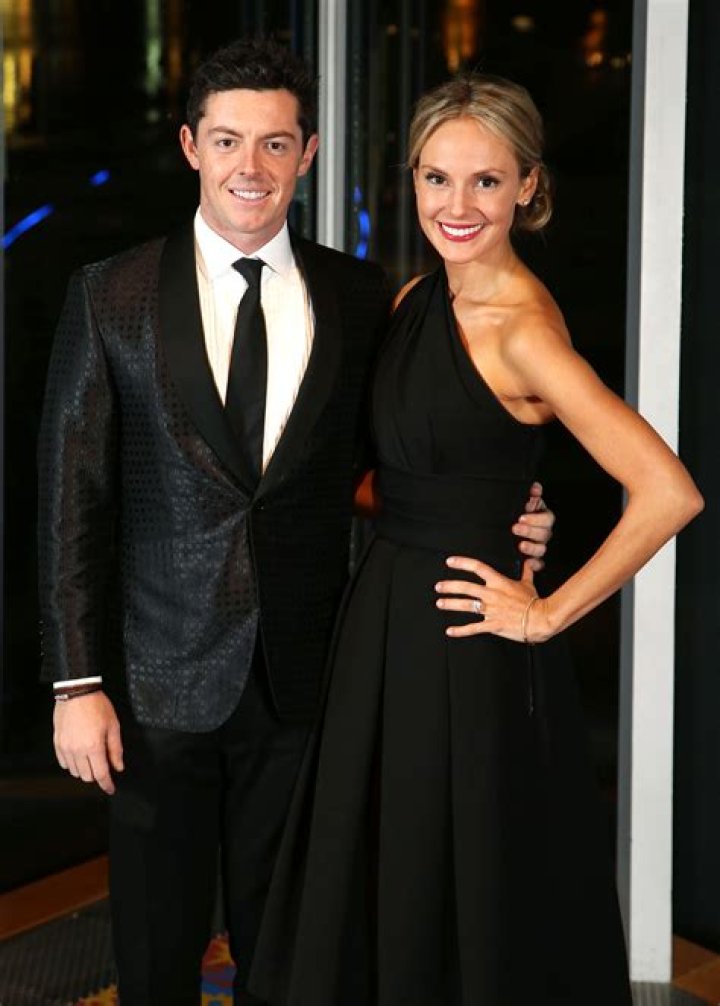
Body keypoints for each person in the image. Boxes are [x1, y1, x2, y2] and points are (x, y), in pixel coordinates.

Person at [36, 42, 554, 1006]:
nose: (251, 166)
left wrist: (501, 512)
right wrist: (77, 683)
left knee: (295, 957)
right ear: (191, 146)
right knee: (154, 956)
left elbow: (389, 464)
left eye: (275, 143)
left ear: (307, 154)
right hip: (154, 686)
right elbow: (72, 499)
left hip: (310, 681)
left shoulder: (363, 297)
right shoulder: (109, 293)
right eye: (228, 140)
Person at [247, 74, 703, 1006]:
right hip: (383, 621)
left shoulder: (525, 331)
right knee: (387, 870)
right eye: (437, 178)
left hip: (466, 644)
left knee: (459, 881)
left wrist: (546, 615)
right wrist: (500, 509)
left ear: (528, 186)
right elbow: (395, 479)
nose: (457, 205)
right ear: (413, 180)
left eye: (486, 181)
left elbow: (669, 492)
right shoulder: (419, 297)